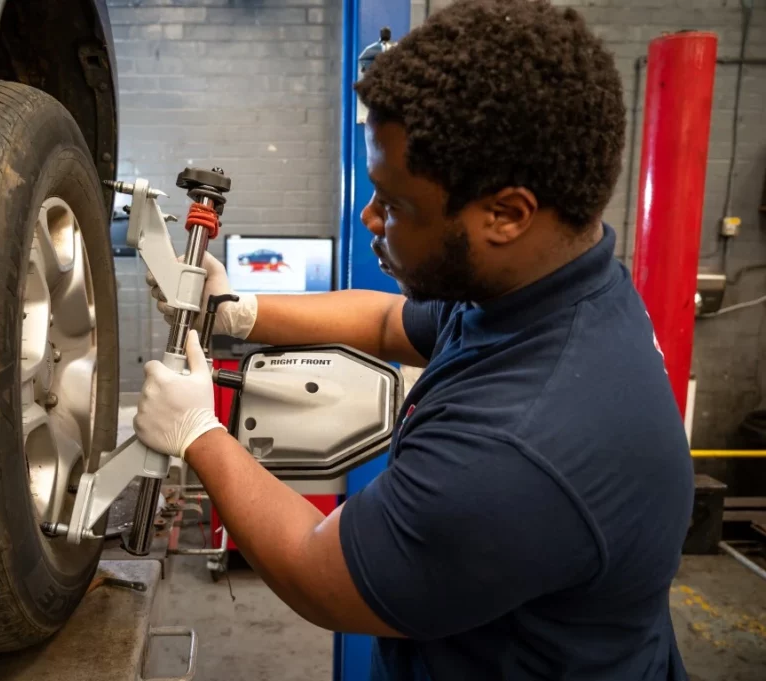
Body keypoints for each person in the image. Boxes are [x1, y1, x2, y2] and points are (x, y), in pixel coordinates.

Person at [134, 1, 694, 679]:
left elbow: (317, 568)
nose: (370, 216)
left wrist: (198, 432)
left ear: (506, 213)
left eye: (394, 204)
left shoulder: (515, 451)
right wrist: (238, 310)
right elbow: (386, 322)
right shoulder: (551, 285)